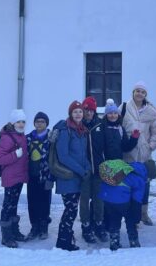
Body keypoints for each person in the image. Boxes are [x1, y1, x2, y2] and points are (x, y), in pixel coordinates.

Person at [119, 81, 156, 226]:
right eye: (137, 91)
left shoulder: (150, 112)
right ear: (133, 92)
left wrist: (150, 146)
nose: (139, 94)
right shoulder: (124, 108)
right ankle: (131, 216)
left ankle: (143, 213)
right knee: (129, 184)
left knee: (144, 185)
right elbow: (117, 126)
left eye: (142, 92)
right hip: (128, 153)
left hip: (144, 155)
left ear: (145, 95)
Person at [54, 100, 91, 251]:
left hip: (77, 177)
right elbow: (63, 156)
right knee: (70, 209)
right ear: (70, 113)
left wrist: (88, 167)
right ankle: (63, 241)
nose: (78, 114)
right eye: (75, 111)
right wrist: (81, 171)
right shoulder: (65, 130)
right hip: (67, 176)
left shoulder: (81, 130)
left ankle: (66, 237)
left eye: (80, 111)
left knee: (72, 209)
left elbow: (83, 154)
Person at [98, 160, 149, 250]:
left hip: (106, 197)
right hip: (121, 201)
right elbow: (137, 200)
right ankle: (134, 242)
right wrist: (137, 218)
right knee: (130, 219)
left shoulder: (124, 167)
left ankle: (114, 242)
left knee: (114, 218)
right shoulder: (139, 178)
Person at [0, 109, 29, 248]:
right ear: (12, 123)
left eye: (23, 122)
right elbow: (0, 159)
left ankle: (14, 231)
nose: (21, 124)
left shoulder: (21, 136)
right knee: (8, 206)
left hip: (19, 176)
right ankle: (6, 236)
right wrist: (15, 154)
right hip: (10, 177)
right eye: (18, 121)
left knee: (14, 205)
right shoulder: (7, 138)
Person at [79, 96, 107, 243]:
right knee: (84, 200)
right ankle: (86, 225)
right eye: (86, 110)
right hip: (84, 170)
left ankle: (98, 224)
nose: (88, 113)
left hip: (98, 169)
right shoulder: (78, 125)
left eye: (91, 110)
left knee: (99, 199)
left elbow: (108, 144)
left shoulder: (100, 125)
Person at [25, 111, 52, 241]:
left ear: (46, 124)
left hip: (45, 176)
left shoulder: (51, 138)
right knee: (32, 202)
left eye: (42, 121)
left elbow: (54, 159)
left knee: (44, 202)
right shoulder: (28, 138)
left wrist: (52, 177)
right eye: (37, 121)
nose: (40, 124)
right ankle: (34, 226)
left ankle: (43, 227)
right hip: (32, 175)